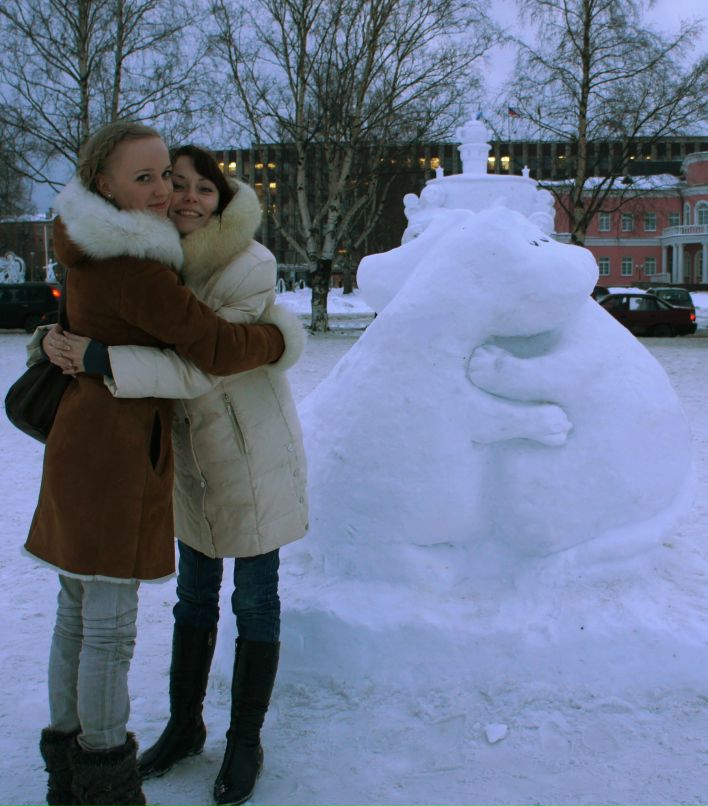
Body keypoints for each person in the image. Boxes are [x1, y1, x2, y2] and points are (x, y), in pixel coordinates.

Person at [28, 122, 289, 806]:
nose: (174, 192)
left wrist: (86, 351)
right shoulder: (142, 263)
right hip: (121, 451)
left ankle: (237, 741)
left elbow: (162, 350)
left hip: (230, 451)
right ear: (104, 185)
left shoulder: (92, 242)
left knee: (88, 611)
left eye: (191, 184)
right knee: (105, 623)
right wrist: (274, 339)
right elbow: (213, 348)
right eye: (154, 178)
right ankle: (103, 775)